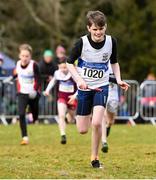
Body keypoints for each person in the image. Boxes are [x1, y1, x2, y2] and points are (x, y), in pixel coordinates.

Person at [66, 10, 129, 168]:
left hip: (102, 87)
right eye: (95, 29)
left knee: (96, 123)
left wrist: (119, 79)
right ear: (88, 28)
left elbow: (114, 62)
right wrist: (79, 80)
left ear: (105, 27)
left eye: (101, 29)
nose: (98, 32)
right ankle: (76, 115)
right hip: (84, 88)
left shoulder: (111, 42)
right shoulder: (81, 43)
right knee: (82, 129)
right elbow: (69, 63)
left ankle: (95, 158)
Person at [4, 44, 41, 145]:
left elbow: (38, 79)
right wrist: (11, 78)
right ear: (20, 56)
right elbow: (17, 73)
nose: (24, 58)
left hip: (33, 93)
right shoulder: (17, 63)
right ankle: (25, 137)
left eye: (27, 56)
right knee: (21, 114)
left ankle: (35, 118)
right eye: (23, 56)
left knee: (34, 114)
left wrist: (34, 90)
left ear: (30, 56)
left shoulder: (34, 65)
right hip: (22, 93)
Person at [43, 61, 77, 144]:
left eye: (65, 67)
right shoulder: (57, 73)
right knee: (61, 115)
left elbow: (80, 86)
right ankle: (63, 135)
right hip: (62, 97)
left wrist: (75, 96)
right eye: (61, 67)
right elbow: (53, 81)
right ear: (58, 67)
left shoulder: (73, 73)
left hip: (72, 98)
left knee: (71, 119)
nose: (63, 70)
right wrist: (47, 90)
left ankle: (69, 115)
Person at [101, 62, 119, 153]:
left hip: (113, 94)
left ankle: (109, 126)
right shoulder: (99, 62)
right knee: (102, 116)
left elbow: (118, 79)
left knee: (111, 120)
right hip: (102, 91)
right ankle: (104, 141)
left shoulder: (114, 64)